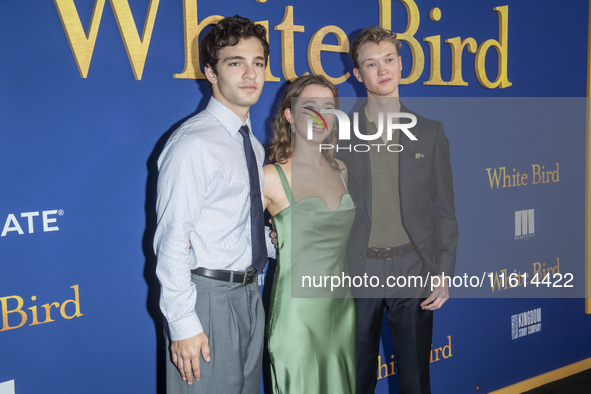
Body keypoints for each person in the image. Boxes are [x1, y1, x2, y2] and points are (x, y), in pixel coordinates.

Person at [153, 15, 275, 394]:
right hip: (205, 299)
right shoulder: (192, 144)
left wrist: (275, 240)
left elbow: (233, 225)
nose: (250, 73)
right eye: (234, 63)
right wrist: (184, 324)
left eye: (257, 63)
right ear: (210, 71)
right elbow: (172, 239)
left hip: (250, 295)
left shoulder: (253, 146)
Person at [337, 26, 459, 394]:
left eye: (389, 59)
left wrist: (443, 271)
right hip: (358, 271)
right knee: (355, 381)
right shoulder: (340, 134)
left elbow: (445, 211)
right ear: (358, 74)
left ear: (401, 64)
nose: (382, 69)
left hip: (413, 270)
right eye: (371, 64)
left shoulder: (431, 132)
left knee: (415, 381)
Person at [263, 75, 356, 394]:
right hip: (298, 315)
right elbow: (237, 236)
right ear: (289, 115)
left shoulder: (341, 169)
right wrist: (275, 239)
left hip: (341, 309)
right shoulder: (270, 176)